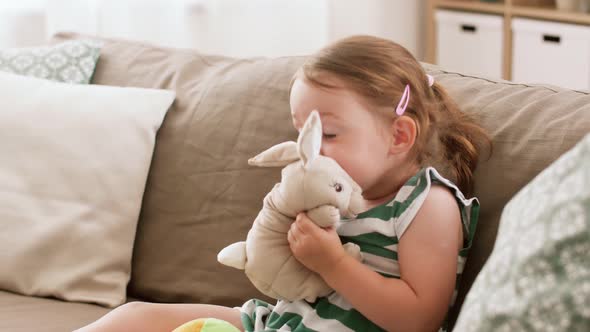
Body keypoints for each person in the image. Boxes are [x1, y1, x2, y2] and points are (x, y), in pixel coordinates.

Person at [75, 35, 491, 332]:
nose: (310, 149)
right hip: (277, 322)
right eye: (303, 132)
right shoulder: (315, 192)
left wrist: (335, 264)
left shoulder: (427, 204)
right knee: (135, 319)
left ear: (399, 136)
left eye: (328, 134)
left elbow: (419, 320)